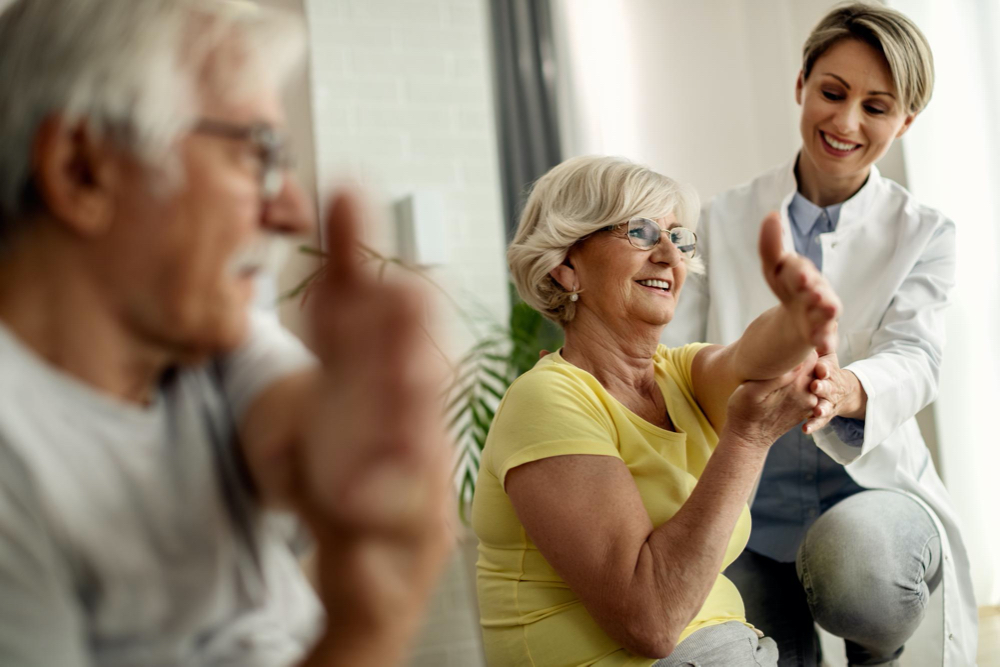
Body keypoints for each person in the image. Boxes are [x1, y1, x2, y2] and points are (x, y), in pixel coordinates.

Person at [0, 1, 453, 666]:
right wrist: (368, 624)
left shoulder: (199, 341)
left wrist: (365, 449)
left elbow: (299, 431)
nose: (293, 210)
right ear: (82, 169)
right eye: (257, 154)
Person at [663, 3, 977, 666]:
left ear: (906, 121)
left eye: (877, 106)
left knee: (857, 577)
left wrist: (849, 386)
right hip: (748, 510)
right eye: (832, 92)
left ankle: (876, 652)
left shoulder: (925, 232)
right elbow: (679, 357)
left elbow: (917, 358)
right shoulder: (725, 217)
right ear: (800, 83)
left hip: (872, 493)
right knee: (752, 648)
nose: (845, 122)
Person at [472, 154, 844, 666]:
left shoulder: (681, 374)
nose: (671, 254)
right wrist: (748, 439)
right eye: (643, 232)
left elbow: (751, 356)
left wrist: (800, 317)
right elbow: (650, 621)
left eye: (681, 239)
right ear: (566, 265)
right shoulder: (548, 399)